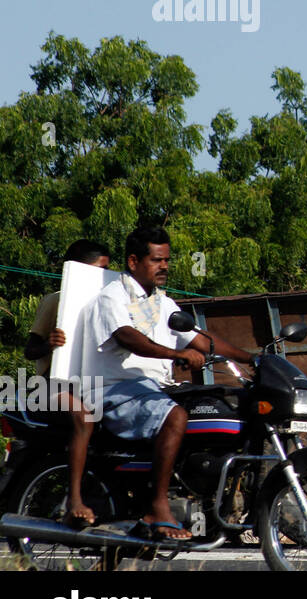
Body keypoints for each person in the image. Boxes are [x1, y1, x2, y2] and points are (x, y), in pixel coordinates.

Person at [82, 226, 254, 540]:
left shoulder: (161, 302)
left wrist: (251, 358)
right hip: (113, 388)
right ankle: (157, 506)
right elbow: (128, 337)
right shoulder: (113, 297)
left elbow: (200, 339)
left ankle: (204, 499)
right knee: (175, 417)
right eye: (156, 260)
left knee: (214, 405)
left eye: (167, 260)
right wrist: (176, 354)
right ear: (133, 261)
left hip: (150, 388)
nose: (164, 266)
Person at [24, 240, 111, 528]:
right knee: (84, 417)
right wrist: (49, 344)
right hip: (53, 385)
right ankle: (73, 499)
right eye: (98, 270)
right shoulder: (57, 300)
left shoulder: (111, 305)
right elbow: (30, 349)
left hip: (93, 383)